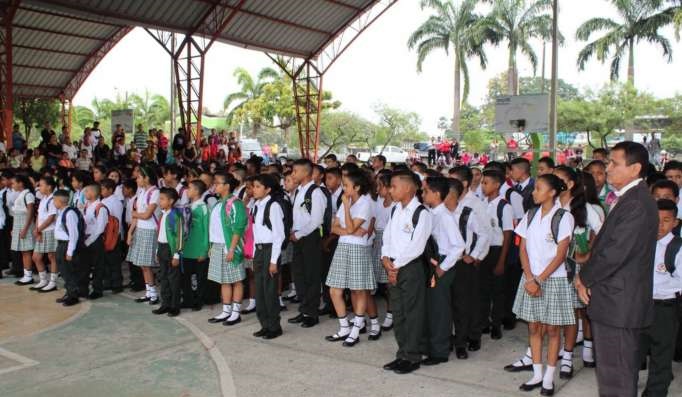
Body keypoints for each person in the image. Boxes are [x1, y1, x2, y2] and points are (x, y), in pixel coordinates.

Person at [576, 141, 658, 397]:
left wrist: (583, 278)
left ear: (634, 169)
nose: (607, 168)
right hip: (614, 300)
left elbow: (614, 254)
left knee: (617, 378)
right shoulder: (630, 199)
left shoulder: (636, 203)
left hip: (619, 303)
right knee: (613, 374)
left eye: (613, 163)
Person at [513, 174, 575, 395]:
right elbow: (522, 248)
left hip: (553, 280)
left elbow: (561, 255)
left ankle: (549, 376)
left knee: (553, 329)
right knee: (534, 327)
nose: (533, 192)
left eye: (538, 188)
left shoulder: (563, 217)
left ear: (552, 193)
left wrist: (539, 279)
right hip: (530, 279)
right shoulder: (530, 215)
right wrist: (530, 278)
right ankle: (537, 373)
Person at [381, 170, 433, 375]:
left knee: (412, 313)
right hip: (393, 265)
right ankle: (402, 353)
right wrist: (386, 258)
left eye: (394, 186)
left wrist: (396, 266)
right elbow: (387, 237)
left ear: (409, 188)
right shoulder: (395, 210)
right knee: (398, 312)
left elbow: (417, 246)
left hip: (410, 268)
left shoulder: (422, 213)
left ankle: (412, 356)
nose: (390, 190)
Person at [325, 169, 375, 347]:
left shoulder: (364, 203)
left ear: (357, 187)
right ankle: (344, 327)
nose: (343, 187)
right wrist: (349, 230)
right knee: (334, 290)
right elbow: (334, 227)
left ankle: (355, 330)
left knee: (358, 290)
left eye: (346, 185)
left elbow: (351, 227)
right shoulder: (346, 201)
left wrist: (346, 209)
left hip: (358, 249)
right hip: (343, 246)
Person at [421, 176, 465, 365]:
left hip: (443, 264)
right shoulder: (432, 213)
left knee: (439, 309)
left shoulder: (445, 216)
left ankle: (439, 352)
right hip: (433, 262)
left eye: (425, 191)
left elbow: (459, 246)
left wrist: (442, 268)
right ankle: (433, 345)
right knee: (431, 307)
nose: (423, 194)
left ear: (436, 194)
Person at [447, 177, 490, 360]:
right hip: (443, 264)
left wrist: (474, 255)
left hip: (463, 265)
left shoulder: (467, 213)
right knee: (447, 305)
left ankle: (462, 342)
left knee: (464, 305)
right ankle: (448, 338)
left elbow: (483, 234)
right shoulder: (437, 213)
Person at [288, 159, 326, 328]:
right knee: (299, 275)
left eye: (295, 171)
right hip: (298, 237)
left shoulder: (315, 192)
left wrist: (300, 234)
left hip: (310, 238)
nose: (293, 174)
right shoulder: (299, 191)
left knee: (311, 276)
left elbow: (316, 220)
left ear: (305, 172)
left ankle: (312, 313)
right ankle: (304, 310)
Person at [207, 172, 248, 326]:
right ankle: (226, 310)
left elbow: (238, 227)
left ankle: (236, 312)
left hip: (230, 247)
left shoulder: (235, 203)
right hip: (218, 246)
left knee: (236, 280)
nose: (214, 185)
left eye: (218, 183)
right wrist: (212, 246)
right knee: (224, 280)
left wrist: (232, 249)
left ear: (227, 186)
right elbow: (214, 228)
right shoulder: (218, 203)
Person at [479, 170, 514, 341]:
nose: (483, 186)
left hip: (498, 250)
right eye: (482, 183)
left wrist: (501, 260)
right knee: (483, 289)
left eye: (486, 183)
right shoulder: (483, 203)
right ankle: (484, 321)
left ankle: (496, 324)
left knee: (498, 290)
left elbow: (507, 234)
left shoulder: (504, 206)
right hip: (484, 250)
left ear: (497, 184)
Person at [251, 174, 286, 339]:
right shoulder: (256, 205)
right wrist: (253, 256)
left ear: (268, 189)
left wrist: (273, 261)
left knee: (270, 290)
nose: (254, 189)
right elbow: (255, 233)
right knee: (260, 290)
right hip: (259, 250)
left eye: (258, 186)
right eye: (254, 186)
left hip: (270, 250)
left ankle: (274, 326)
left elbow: (279, 235)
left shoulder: (273, 206)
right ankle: (264, 324)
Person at [127, 166, 161, 305]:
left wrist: (135, 214)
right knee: (142, 264)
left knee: (147, 264)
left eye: (139, 177)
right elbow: (138, 214)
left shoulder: (155, 193)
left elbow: (146, 215)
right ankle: (149, 292)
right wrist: (130, 232)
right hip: (140, 230)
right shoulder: (141, 192)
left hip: (150, 230)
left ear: (147, 178)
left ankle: (153, 294)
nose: (137, 179)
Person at [153, 188, 184, 317]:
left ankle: (174, 306)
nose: (160, 201)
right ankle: (165, 304)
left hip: (171, 250)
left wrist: (177, 254)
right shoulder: (162, 214)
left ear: (171, 201)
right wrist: (157, 250)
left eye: (162, 199)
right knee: (164, 278)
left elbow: (179, 236)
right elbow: (159, 233)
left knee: (173, 279)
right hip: (162, 248)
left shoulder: (175, 216)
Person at [182, 180, 210, 311]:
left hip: (199, 251)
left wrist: (204, 251)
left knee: (200, 278)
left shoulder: (204, 208)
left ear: (197, 191)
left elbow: (207, 231)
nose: (187, 190)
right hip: (187, 249)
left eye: (190, 188)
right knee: (186, 277)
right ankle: (188, 300)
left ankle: (199, 301)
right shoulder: (187, 206)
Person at [53, 189, 81, 306]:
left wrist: (70, 251)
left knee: (69, 271)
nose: (54, 203)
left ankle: (73, 295)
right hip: (61, 244)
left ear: (60, 201)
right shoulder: (62, 212)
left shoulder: (70, 213)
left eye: (54, 200)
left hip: (66, 245)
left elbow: (73, 234)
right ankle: (69, 292)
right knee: (64, 271)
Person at [80, 184, 109, 299]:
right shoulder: (87, 206)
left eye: (86, 191)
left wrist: (89, 241)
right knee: (84, 266)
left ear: (93, 193)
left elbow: (100, 229)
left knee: (98, 266)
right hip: (86, 239)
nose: (84, 193)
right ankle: (83, 289)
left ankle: (97, 290)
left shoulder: (100, 207)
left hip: (96, 241)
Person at [31, 176, 58, 292]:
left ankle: (53, 282)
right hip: (42, 231)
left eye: (41, 185)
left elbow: (51, 217)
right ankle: (43, 280)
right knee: (36, 257)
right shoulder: (43, 199)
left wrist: (39, 229)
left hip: (50, 231)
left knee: (52, 256)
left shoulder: (53, 199)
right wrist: (37, 228)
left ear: (49, 187)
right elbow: (39, 216)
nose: (39, 187)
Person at [11, 175, 36, 286]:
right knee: (23, 251)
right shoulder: (21, 194)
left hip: (24, 224)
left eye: (14, 183)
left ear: (21, 183)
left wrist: (25, 228)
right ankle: (26, 274)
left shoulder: (28, 194)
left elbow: (30, 212)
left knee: (26, 251)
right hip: (19, 224)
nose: (13, 185)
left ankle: (28, 276)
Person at [100, 178, 124, 293]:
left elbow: (116, 220)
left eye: (103, 189)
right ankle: (108, 282)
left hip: (114, 234)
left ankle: (117, 284)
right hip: (106, 234)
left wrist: (114, 235)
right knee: (105, 260)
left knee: (114, 261)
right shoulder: (104, 200)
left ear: (110, 190)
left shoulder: (116, 202)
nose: (101, 191)